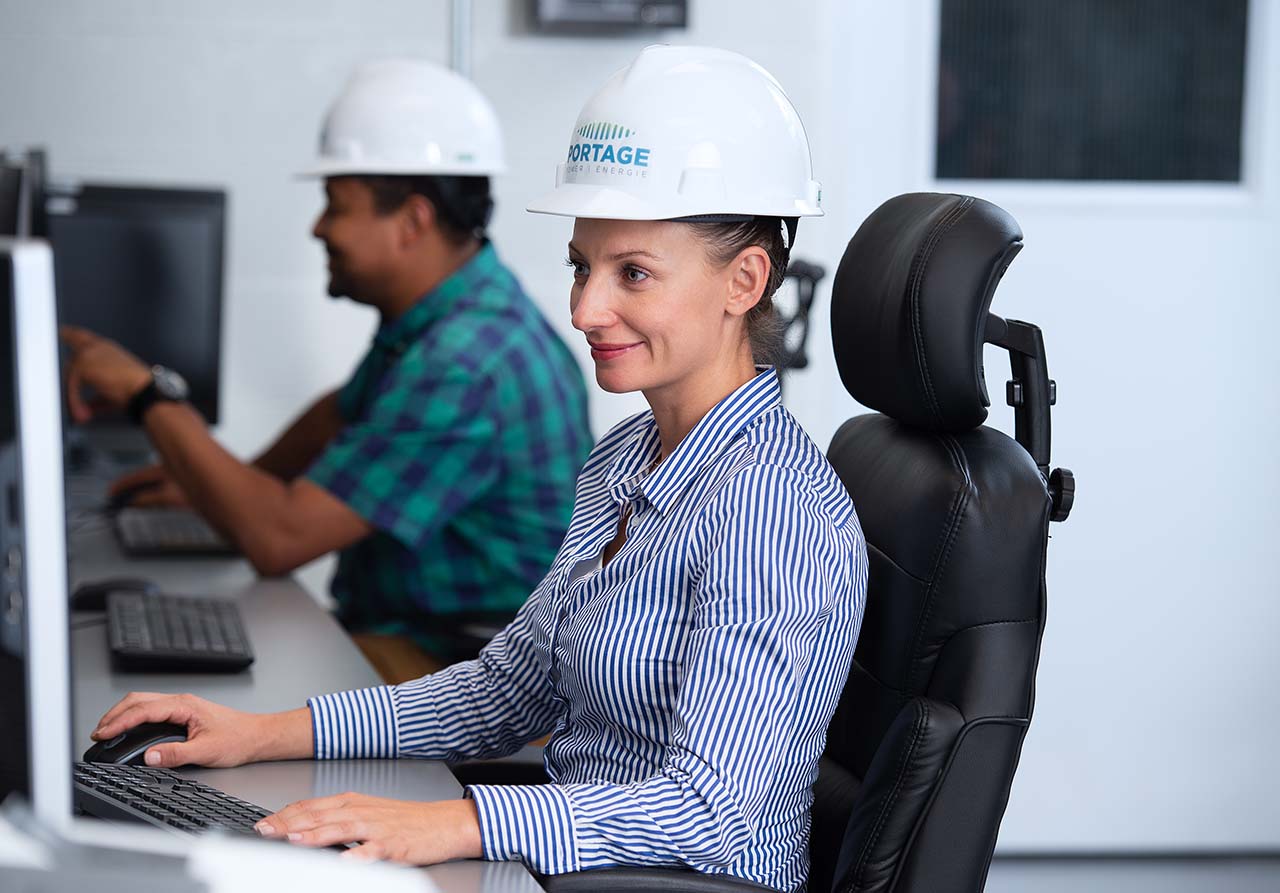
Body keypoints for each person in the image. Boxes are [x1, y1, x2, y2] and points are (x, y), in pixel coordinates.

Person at [88, 47, 867, 890]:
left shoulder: (772, 508)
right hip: (576, 865)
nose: (583, 309)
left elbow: (712, 808)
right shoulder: (628, 459)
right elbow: (508, 688)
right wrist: (264, 730)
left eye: (632, 273)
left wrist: (456, 823)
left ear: (745, 280)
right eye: (582, 265)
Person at [61, 60, 594, 676]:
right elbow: (339, 414)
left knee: (226, 704)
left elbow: (278, 541)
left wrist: (145, 395)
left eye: (335, 204)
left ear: (412, 221)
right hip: (418, 636)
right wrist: (221, 480)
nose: (318, 227)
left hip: (460, 667)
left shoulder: (462, 365)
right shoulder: (452, 317)